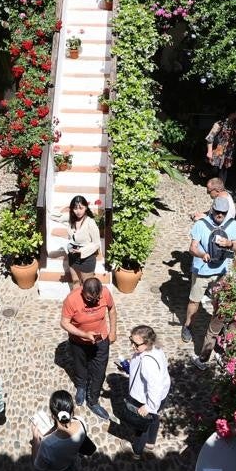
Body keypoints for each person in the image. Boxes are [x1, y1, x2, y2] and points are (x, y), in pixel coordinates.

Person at [181, 196, 236, 345]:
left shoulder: (232, 224)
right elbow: (192, 248)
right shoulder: (201, 224)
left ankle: (216, 329)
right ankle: (187, 326)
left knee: (220, 302)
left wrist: (229, 244)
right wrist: (202, 254)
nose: (220, 215)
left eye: (223, 213)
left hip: (221, 271)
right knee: (194, 300)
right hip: (201, 271)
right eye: (218, 212)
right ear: (212, 209)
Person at [59, 277, 118, 420]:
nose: (94, 302)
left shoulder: (105, 293)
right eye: (90, 299)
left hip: (101, 340)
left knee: (99, 371)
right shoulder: (72, 299)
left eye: (96, 298)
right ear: (82, 291)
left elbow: (112, 310)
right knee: (80, 366)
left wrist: (113, 331)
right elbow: (64, 323)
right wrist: (84, 334)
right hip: (78, 342)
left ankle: (93, 401)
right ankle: (81, 386)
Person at [196, 241, 236, 368]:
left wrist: (215, 301)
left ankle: (203, 360)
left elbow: (220, 291)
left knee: (212, 332)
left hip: (224, 309)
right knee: (232, 336)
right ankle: (227, 361)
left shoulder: (233, 274)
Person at [114, 326, 171, 456]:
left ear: (147, 343)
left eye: (136, 344)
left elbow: (154, 386)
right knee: (154, 418)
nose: (132, 346)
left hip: (147, 400)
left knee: (141, 427)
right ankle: (150, 443)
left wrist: (149, 406)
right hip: (161, 397)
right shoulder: (156, 349)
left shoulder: (147, 363)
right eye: (131, 341)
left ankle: (137, 451)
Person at [65, 195, 102, 288]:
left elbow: (96, 243)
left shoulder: (90, 222)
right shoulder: (71, 220)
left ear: (86, 207)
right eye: (75, 208)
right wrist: (65, 206)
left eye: (81, 208)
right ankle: (76, 302)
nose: (78, 211)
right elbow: (52, 215)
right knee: (75, 282)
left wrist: (82, 250)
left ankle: (88, 302)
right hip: (73, 257)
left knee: (88, 285)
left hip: (87, 258)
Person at [205, 111, 236, 183]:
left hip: (228, 152)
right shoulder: (219, 123)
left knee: (224, 171)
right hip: (218, 151)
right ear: (231, 112)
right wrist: (209, 151)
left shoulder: (234, 124)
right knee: (214, 170)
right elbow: (210, 138)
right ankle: (210, 185)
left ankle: (220, 188)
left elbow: (235, 138)